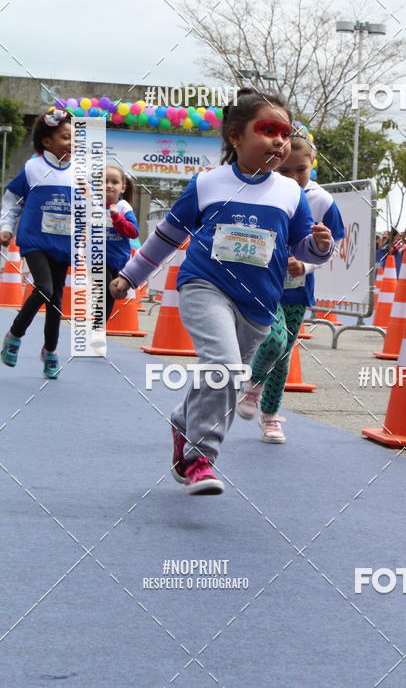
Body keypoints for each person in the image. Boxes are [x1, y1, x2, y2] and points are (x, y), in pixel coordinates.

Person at [109, 90, 334, 496]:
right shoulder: (208, 183)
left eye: (285, 133)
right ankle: (200, 457)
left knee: (224, 374)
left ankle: (183, 420)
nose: (279, 141)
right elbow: (167, 236)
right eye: (268, 130)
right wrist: (130, 275)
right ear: (235, 136)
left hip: (259, 305)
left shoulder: (290, 193)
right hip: (205, 285)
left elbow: (300, 246)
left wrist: (320, 246)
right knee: (225, 367)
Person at [236, 129, 345, 443]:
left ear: (313, 164)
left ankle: (270, 417)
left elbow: (333, 241)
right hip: (261, 285)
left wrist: (307, 262)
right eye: (285, 170)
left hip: (296, 288)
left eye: (302, 169)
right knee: (274, 342)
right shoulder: (261, 190)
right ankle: (253, 387)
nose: (294, 176)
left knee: (283, 356)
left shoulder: (321, 199)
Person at [0, 109, 72, 379]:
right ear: (47, 142)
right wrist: (6, 228)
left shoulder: (79, 173)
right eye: (65, 137)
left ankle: (50, 351)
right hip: (35, 240)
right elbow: (11, 201)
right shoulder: (33, 168)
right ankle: (15, 334)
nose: (71, 143)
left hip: (63, 244)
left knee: (56, 300)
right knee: (43, 287)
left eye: (73, 138)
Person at [104, 166, 139, 322]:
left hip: (118, 260)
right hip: (98, 259)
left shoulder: (124, 207)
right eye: (104, 181)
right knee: (103, 290)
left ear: (123, 187)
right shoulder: (91, 205)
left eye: (114, 182)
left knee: (109, 296)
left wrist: (117, 218)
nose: (109, 185)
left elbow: (133, 232)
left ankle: (99, 328)